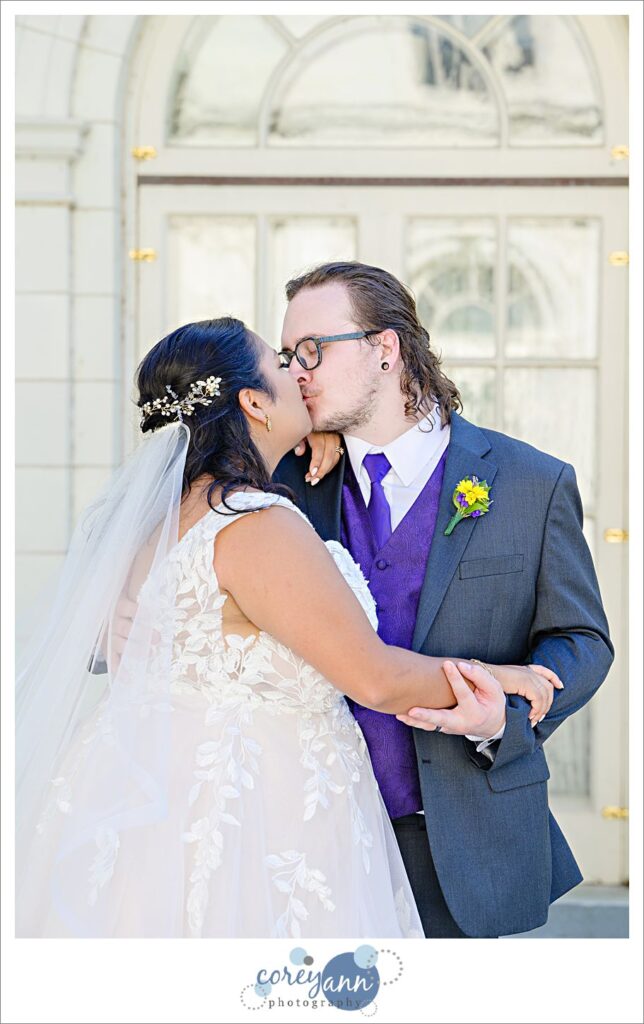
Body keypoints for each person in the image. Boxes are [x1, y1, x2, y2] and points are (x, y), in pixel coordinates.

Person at [15, 317, 559, 939]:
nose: (300, 375)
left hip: (152, 811)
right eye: (281, 365)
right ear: (251, 401)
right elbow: (375, 678)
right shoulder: (257, 524)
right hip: (258, 820)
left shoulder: (153, 522)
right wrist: (500, 677)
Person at [273, 261, 614, 939]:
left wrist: (502, 718)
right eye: (288, 356)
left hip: (466, 840)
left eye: (313, 350)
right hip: (311, 846)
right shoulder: (286, 483)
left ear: (385, 349)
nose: (296, 371)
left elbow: (582, 642)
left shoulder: (530, 483)